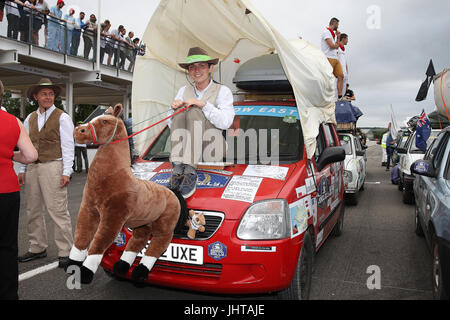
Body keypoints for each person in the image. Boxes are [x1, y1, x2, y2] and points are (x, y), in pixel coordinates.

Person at [17, 78, 75, 269]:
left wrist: (67, 172)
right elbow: (24, 146)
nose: (48, 97)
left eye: (51, 94)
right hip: (33, 166)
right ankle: (37, 247)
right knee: (32, 209)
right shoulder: (30, 118)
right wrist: (23, 169)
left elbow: (68, 147)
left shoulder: (62, 117)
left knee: (57, 210)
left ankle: (66, 251)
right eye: (44, 94)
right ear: (36, 97)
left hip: (53, 166)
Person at [167, 47, 235, 198]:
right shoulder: (183, 90)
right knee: (179, 114)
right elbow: (172, 126)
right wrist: (173, 110)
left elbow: (226, 123)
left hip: (212, 149)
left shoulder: (223, 91)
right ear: (189, 71)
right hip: (184, 153)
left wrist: (203, 104)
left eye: (201, 66)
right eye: (192, 67)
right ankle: (178, 169)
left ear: (211, 68)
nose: (196, 70)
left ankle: (190, 170)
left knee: (194, 111)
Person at [0, 80, 38, 300]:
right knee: (7, 246)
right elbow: (31, 156)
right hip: (7, 190)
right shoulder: (13, 121)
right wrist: (9, 155)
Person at [321, 17, 345, 100]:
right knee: (328, 78)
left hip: (335, 57)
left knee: (341, 76)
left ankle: (339, 96)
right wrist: (336, 44)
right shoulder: (326, 32)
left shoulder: (333, 34)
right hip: (328, 57)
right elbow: (332, 46)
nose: (338, 26)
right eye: (337, 24)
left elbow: (336, 46)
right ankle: (326, 96)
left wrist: (338, 37)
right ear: (334, 23)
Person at [337, 33, 349, 98]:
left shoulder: (343, 50)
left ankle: (341, 98)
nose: (348, 41)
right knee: (337, 92)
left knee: (343, 89)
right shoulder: (337, 48)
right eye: (347, 39)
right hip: (339, 73)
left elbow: (345, 62)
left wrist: (347, 72)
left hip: (344, 73)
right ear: (343, 39)